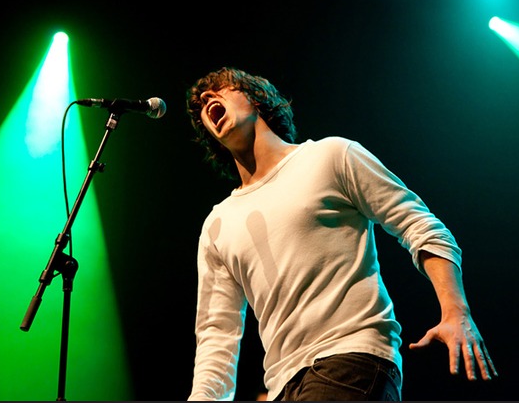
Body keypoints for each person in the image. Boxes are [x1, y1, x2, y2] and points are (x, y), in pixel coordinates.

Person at [184, 67, 498, 401]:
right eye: (200, 103)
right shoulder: (218, 224)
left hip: (352, 358)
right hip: (283, 385)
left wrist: (455, 312)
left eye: (221, 89)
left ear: (257, 98)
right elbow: (217, 336)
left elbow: (421, 226)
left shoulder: (330, 156)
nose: (206, 99)